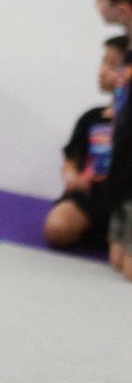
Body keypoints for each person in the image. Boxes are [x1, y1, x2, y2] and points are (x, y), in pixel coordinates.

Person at [43, 34, 128, 254]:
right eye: (104, 62)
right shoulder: (92, 118)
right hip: (91, 197)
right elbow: (71, 160)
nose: (102, 70)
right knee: (57, 228)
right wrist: (71, 176)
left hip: (125, 200)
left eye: (113, 65)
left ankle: (115, 236)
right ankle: (102, 233)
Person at [93, 0, 132, 279]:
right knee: (117, 259)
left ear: (122, 10)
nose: (96, 4)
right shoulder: (126, 48)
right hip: (122, 164)